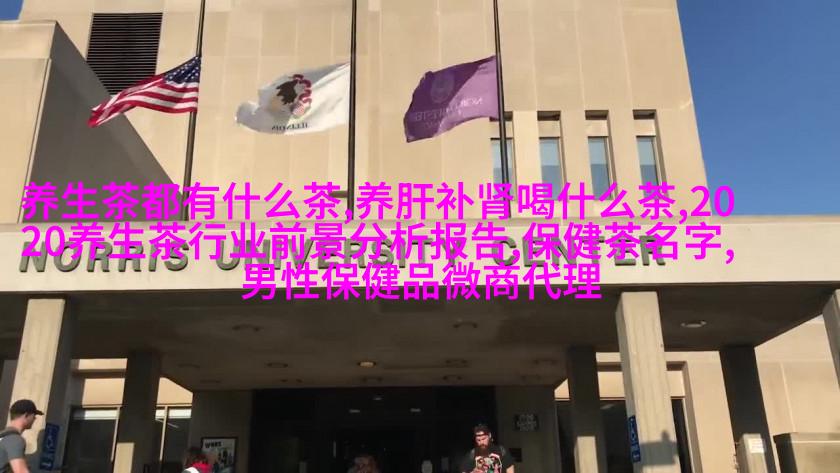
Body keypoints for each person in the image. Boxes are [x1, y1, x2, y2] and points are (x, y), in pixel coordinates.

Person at [0, 399, 44, 473]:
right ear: (26, 415)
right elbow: (21, 471)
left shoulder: (3, 436)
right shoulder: (15, 440)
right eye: (34, 416)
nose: (35, 419)